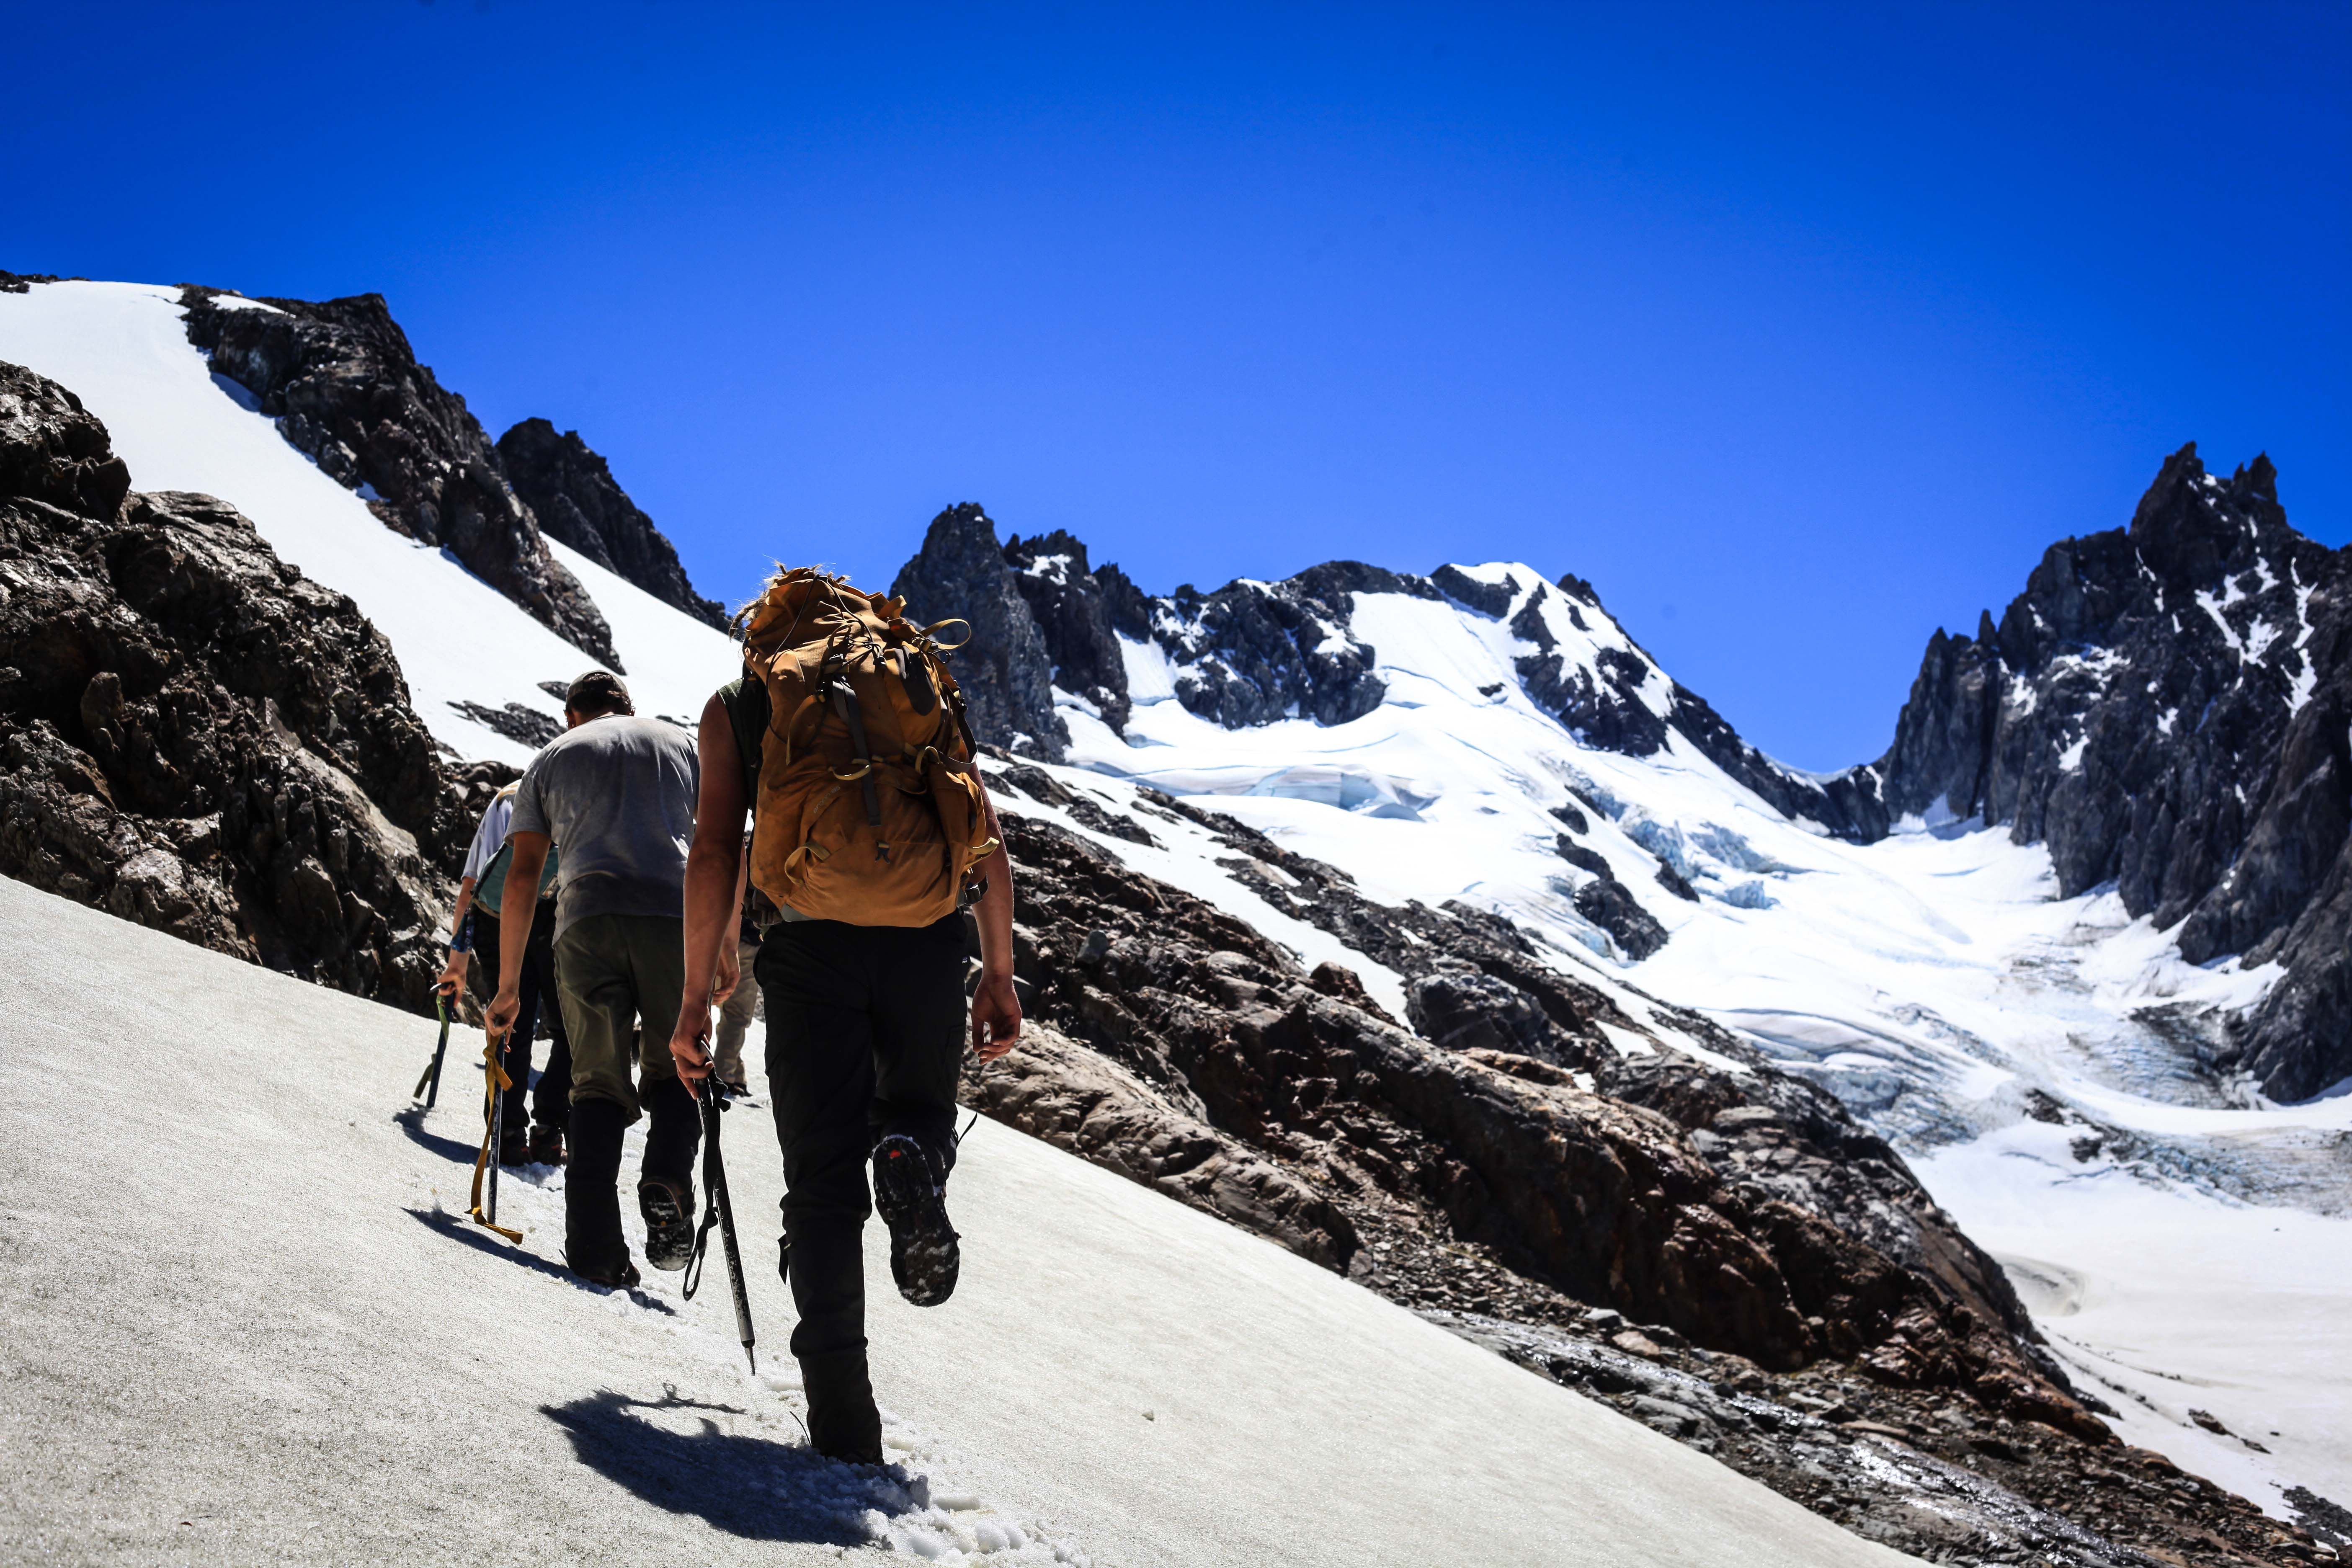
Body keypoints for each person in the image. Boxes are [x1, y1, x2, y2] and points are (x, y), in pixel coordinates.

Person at [665, 658, 1021, 1465]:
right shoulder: (912, 684)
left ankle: (845, 1425)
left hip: (808, 945)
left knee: (821, 1184)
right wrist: (996, 974)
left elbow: (714, 851)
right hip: (926, 939)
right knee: (921, 1113)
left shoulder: (739, 705)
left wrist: (697, 994)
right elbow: (983, 835)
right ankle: (911, 1155)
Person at [489, 671, 702, 1289]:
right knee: (678, 1063)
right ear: (629, 709)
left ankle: (596, 1248)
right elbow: (720, 847)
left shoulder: (553, 757)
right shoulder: (682, 745)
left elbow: (524, 877)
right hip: (674, 919)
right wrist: (722, 947)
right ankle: (666, 1172)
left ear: (572, 716)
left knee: (596, 1083)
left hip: (585, 922)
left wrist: (507, 987)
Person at [438, 782, 570, 1166]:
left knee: (512, 1022)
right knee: (569, 1028)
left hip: (496, 921)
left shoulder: (505, 800)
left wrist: (457, 963)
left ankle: (506, 1131)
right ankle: (549, 1128)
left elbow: (473, 886)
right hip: (553, 918)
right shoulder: (570, 795)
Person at [707, 833, 759, 1097]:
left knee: (714, 1005)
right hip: (747, 942)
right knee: (737, 1016)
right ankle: (725, 1077)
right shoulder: (762, 856)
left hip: (713, 937)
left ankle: (735, 1074)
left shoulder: (727, 851)